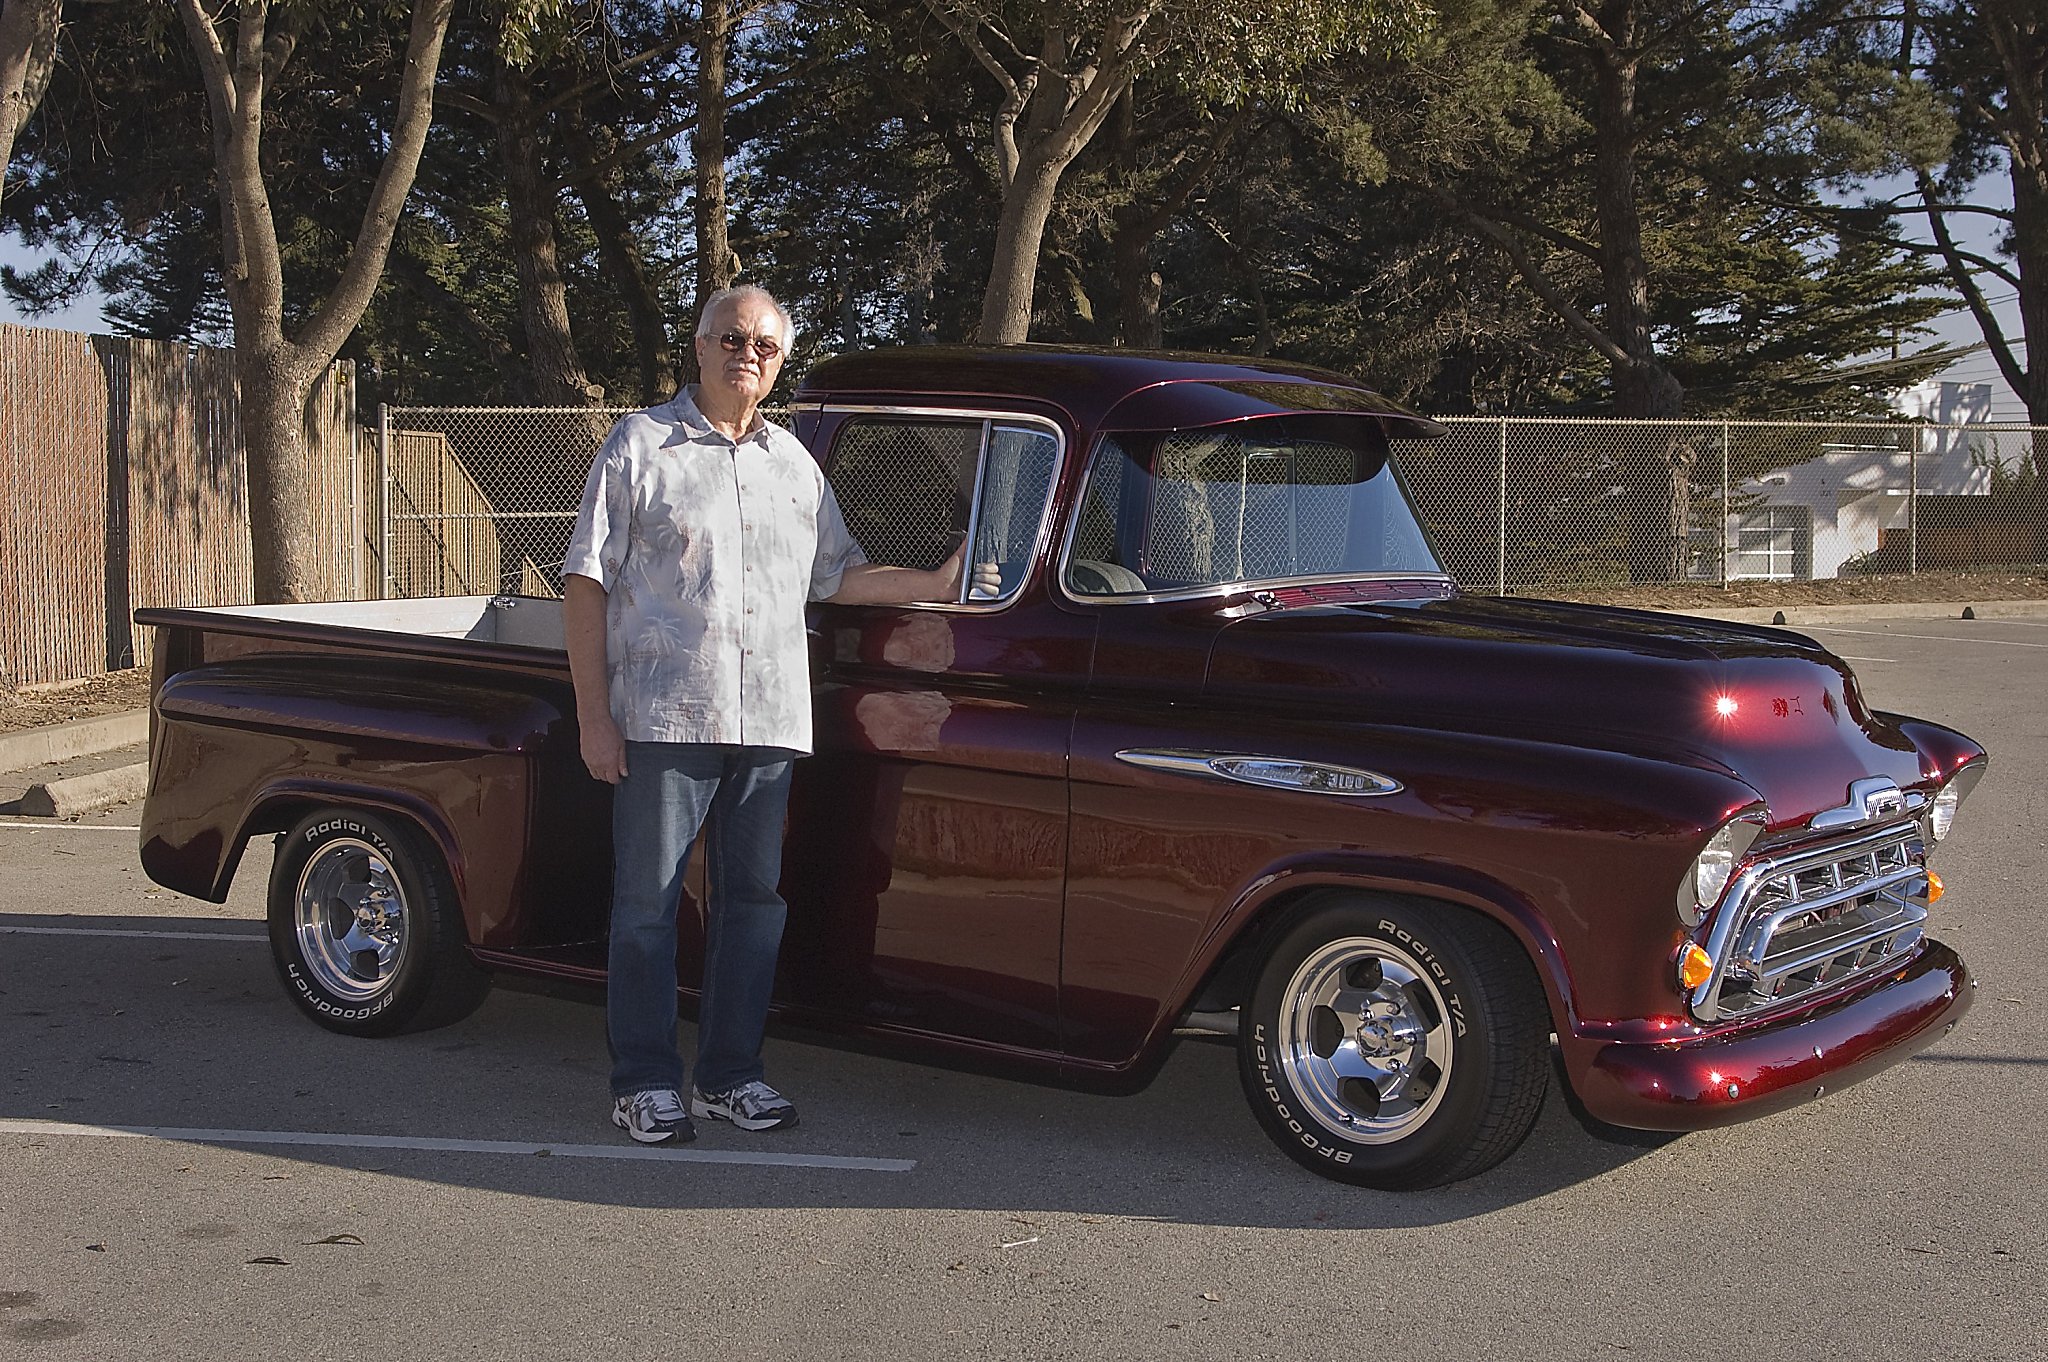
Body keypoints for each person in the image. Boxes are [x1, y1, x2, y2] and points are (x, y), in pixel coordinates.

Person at [562, 284, 964, 1145]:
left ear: (780, 363)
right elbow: (585, 582)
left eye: (767, 346)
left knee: (754, 902)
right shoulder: (640, 446)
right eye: (734, 338)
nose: (749, 354)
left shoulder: (796, 466)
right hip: (664, 719)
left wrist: (931, 584)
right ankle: (642, 1081)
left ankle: (730, 1075)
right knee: (647, 904)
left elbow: (838, 576)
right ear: (700, 346)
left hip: (771, 723)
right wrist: (595, 718)